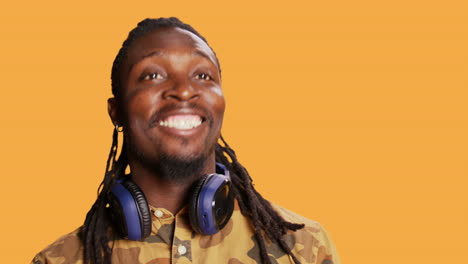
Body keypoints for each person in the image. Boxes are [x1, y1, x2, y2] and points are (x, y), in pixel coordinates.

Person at [32, 17, 341, 264]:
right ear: (117, 111)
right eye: (152, 75)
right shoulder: (60, 260)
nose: (183, 91)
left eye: (203, 76)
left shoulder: (304, 249)